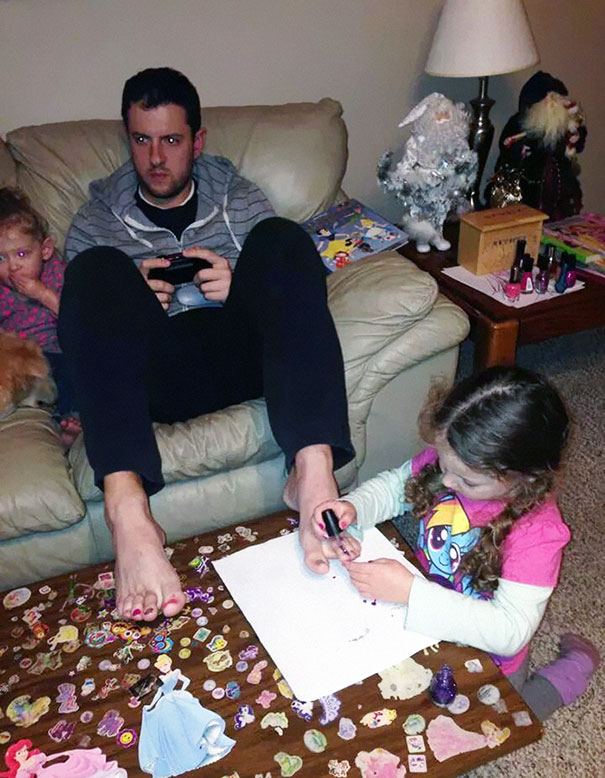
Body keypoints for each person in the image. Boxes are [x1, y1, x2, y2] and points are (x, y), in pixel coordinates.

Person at [58, 67, 354, 623]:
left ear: (197, 140)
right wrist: (132, 295)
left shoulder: (238, 197)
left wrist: (236, 280)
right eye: (141, 140)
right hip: (155, 376)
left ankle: (312, 476)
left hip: (242, 357)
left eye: (171, 140)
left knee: (284, 239)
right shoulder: (97, 216)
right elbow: (79, 329)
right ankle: (131, 518)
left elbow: (288, 296)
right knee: (96, 270)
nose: (156, 158)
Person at [313, 366, 600, 722]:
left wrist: (411, 594)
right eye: (442, 462)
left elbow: (509, 632)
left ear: (524, 477)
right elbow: (394, 487)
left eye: (465, 479)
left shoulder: (538, 533)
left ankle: (574, 669)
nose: (445, 480)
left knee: (505, 721)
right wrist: (353, 510)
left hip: (489, 652)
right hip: (426, 614)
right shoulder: (456, 459)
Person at [0, 187, 80, 445]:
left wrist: (43, 293)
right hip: (22, 358)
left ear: (44, 250)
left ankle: (69, 422)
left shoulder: (57, 273)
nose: (13, 266)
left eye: (23, 254)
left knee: (74, 371)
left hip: (60, 349)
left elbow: (77, 319)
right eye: (1, 257)